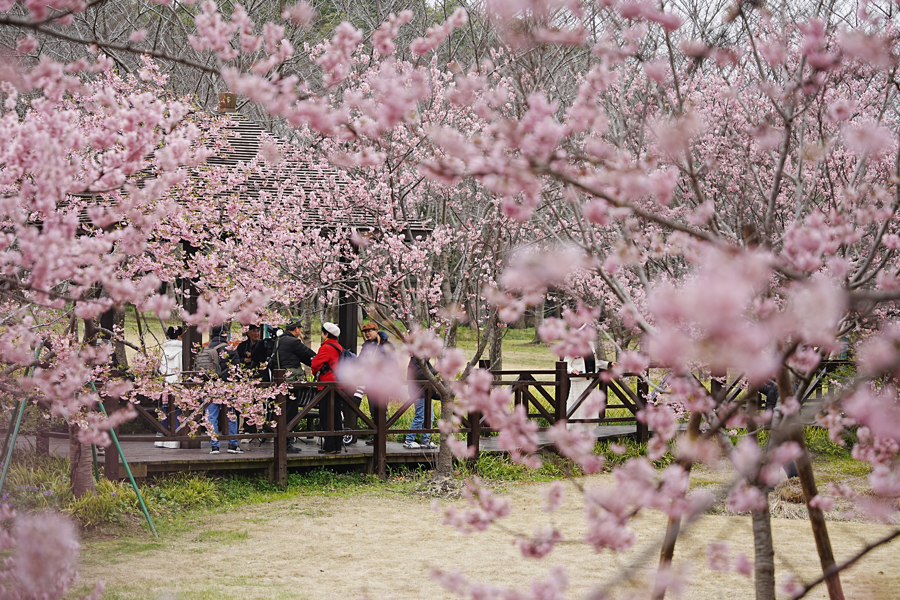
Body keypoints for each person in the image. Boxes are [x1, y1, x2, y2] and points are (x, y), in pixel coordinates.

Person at [270, 321, 316, 453]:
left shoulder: (279, 340)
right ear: (296, 329)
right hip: (291, 382)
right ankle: (287, 444)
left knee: (282, 412)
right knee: (291, 412)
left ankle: (282, 442)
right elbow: (308, 355)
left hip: (280, 381)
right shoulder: (293, 342)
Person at [203, 325, 242, 455]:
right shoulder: (230, 349)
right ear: (225, 334)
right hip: (227, 386)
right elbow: (236, 368)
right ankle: (233, 444)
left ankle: (214, 446)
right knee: (231, 414)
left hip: (210, 385)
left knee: (211, 415)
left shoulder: (206, 348)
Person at [564, 337, 615, 433]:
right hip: (578, 381)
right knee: (576, 403)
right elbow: (566, 362)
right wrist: (572, 370)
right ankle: (575, 427)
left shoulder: (590, 345)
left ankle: (588, 428)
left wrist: (609, 364)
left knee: (590, 403)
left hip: (590, 381)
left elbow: (596, 362)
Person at [358, 322, 395, 446]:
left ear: (376, 330)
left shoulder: (387, 345)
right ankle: (376, 436)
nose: (367, 334)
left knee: (382, 409)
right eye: (365, 332)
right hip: (370, 382)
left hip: (383, 383)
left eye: (369, 331)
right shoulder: (366, 346)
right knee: (373, 410)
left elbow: (393, 364)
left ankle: (382, 438)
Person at [311, 322, 344, 455]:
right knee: (336, 415)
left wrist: (316, 371)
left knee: (326, 416)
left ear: (326, 334)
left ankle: (329, 446)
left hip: (327, 387)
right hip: (338, 386)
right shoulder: (339, 347)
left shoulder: (326, 348)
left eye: (322, 333)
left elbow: (315, 364)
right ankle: (337, 445)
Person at [156, 326, 183, 449]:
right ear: (179, 336)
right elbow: (182, 368)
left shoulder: (165, 350)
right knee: (178, 410)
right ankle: (175, 439)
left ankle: (161, 437)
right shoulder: (182, 350)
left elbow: (161, 369)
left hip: (167, 382)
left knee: (165, 410)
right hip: (177, 383)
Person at [404, 357, 438, 450]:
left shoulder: (425, 360)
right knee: (420, 416)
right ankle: (409, 440)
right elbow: (422, 375)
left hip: (426, 393)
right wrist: (436, 369)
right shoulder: (416, 360)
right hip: (418, 393)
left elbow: (430, 375)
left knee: (430, 417)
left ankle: (426, 441)